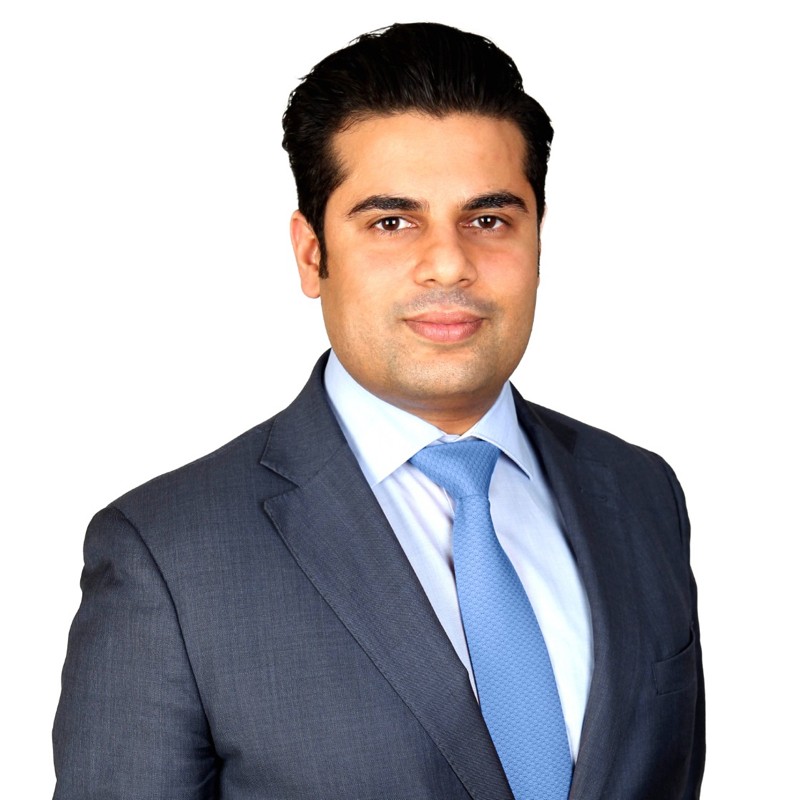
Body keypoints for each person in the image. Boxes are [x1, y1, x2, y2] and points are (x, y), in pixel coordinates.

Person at [53, 22, 704, 800]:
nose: (449, 263)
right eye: (392, 222)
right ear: (312, 254)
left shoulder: (639, 493)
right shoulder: (167, 555)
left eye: (489, 219)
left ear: (538, 241)